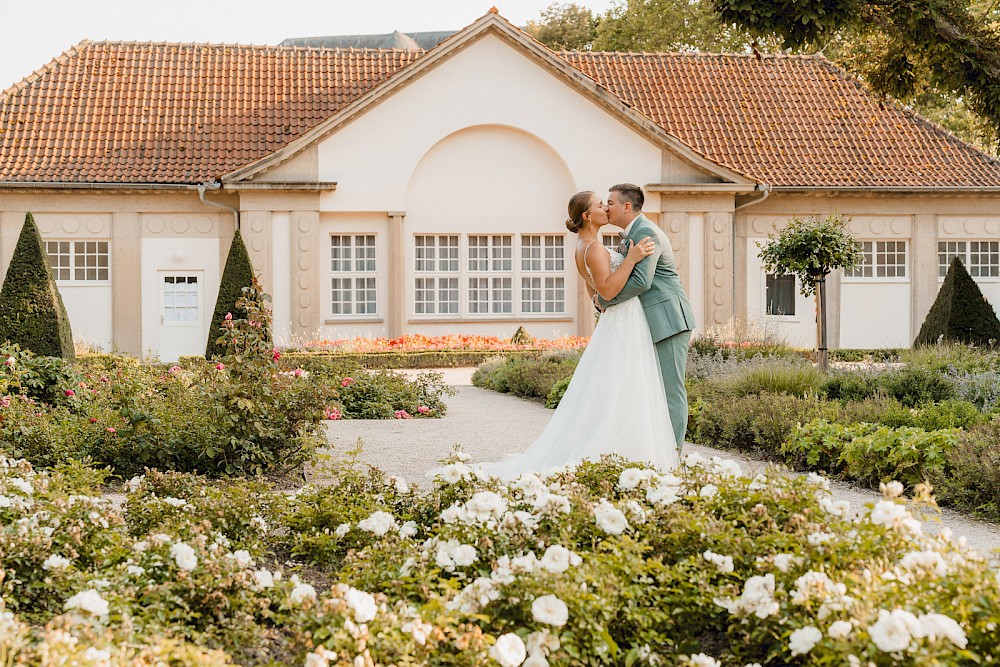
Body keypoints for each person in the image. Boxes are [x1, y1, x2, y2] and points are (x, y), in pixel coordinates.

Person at [479, 191, 678, 480]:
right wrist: (631, 259)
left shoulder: (582, 247)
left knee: (619, 384)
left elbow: (592, 289)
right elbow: (606, 290)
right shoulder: (594, 248)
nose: (605, 208)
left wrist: (601, 298)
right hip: (624, 319)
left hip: (619, 320)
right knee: (626, 383)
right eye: (600, 205)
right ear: (587, 216)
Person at [598, 183, 695, 449]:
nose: (606, 207)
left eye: (610, 203)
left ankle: (674, 453)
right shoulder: (631, 234)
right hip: (650, 321)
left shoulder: (646, 232)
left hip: (669, 320)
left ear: (627, 207)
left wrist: (605, 300)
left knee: (670, 389)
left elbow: (641, 281)